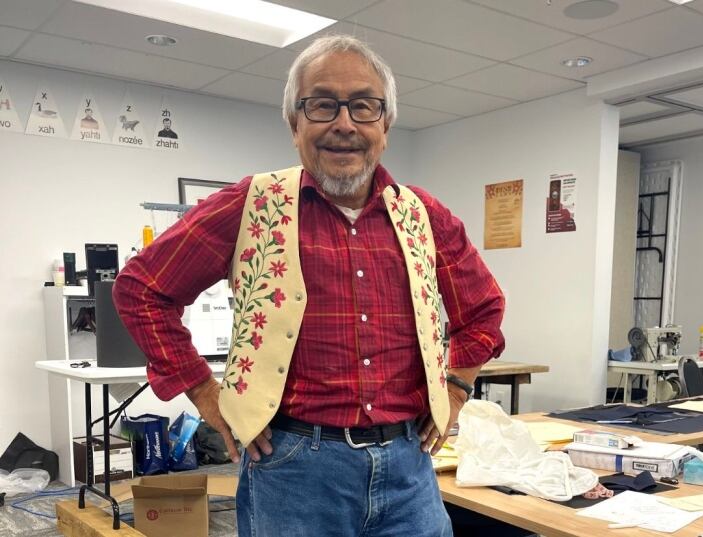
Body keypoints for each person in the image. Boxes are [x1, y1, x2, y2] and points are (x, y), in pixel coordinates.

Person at [114, 34, 505, 537]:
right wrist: (206, 393)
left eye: (363, 106)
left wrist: (454, 388)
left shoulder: (424, 216)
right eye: (322, 105)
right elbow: (141, 288)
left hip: (410, 471)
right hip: (292, 470)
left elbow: (484, 309)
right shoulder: (251, 205)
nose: (344, 123)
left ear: (385, 125)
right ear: (294, 124)